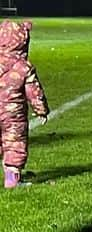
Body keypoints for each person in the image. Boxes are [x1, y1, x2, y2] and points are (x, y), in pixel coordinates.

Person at [0, 20, 49, 189]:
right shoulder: (23, 68)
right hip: (14, 117)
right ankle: (12, 179)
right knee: (14, 144)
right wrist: (41, 110)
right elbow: (34, 93)